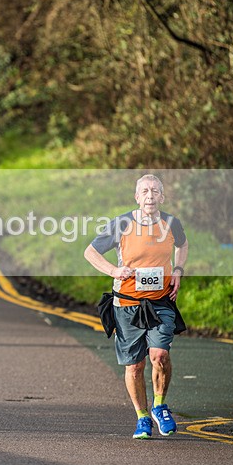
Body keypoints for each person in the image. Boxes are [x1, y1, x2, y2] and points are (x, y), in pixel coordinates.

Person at [83, 174, 189, 440]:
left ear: (162, 197)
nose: (150, 196)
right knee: (135, 366)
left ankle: (159, 406)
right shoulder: (121, 224)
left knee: (160, 355)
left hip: (160, 301)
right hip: (127, 304)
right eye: (145, 191)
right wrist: (114, 270)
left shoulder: (171, 223)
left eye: (155, 191)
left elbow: (183, 245)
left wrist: (178, 270)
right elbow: (90, 252)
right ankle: (142, 417)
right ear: (137, 197)